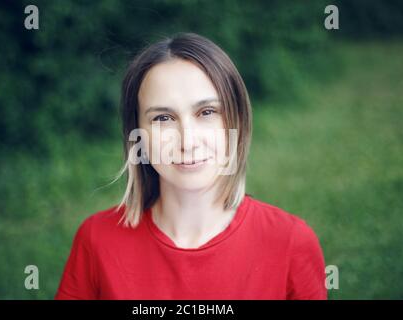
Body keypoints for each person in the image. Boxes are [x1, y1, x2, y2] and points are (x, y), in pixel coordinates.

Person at [55, 32, 327, 300]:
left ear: (237, 121)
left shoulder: (290, 242)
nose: (188, 141)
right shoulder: (97, 240)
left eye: (207, 112)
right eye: (163, 118)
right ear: (137, 134)